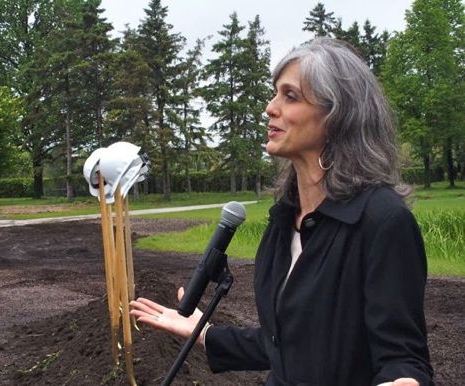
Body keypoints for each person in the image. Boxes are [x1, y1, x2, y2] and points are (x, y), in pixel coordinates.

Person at [129, 38, 434, 386]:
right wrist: (203, 333)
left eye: (290, 96)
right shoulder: (283, 218)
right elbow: (289, 345)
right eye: (275, 93)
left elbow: (402, 357)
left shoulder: (382, 221)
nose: (269, 108)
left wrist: (404, 380)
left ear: (337, 116)